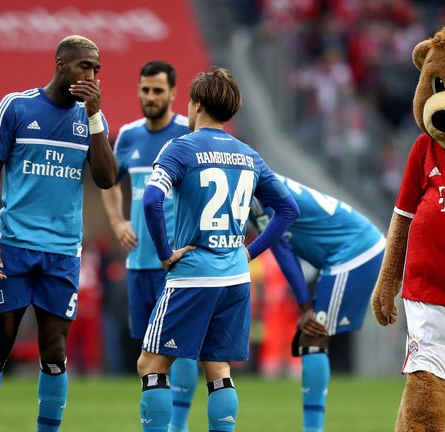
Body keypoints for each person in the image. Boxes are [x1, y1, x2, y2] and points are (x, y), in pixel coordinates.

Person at [0, 35, 117, 432]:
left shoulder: (91, 119)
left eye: (98, 69)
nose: (93, 75)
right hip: (12, 247)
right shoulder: (16, 106)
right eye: (85, 66)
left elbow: (106, 178)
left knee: (54, 353)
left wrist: (97, 116)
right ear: (61, 64)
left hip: (62, 254)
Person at [137, 67, 299, 432]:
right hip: (236, 279)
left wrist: (164, 254)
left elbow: (151, 200)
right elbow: (288, 209)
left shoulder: (180, 147)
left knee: (151, 365)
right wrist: (249, 251)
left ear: (195, 104)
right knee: (219, 370)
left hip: (193, 275)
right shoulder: (249, 155)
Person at [99, 60, 197, 432]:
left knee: (181, 345)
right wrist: (117, 221)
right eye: (145, 89)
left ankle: (179, 425)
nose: (151, 97)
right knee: (148, 350)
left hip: (178, 263)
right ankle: (159, 423)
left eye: (158, 90)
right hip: (139, 263)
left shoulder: (188, 134)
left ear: (174, 93)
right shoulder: (128, 135)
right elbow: (107, 179)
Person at [250, 175, 384, 432]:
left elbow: (282, 251)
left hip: (352, 252)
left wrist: (304, 305)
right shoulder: (264, 182)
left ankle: (313, 429)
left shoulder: (258, 197)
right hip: (342, 254)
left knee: (313, 336)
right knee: (310, 337)